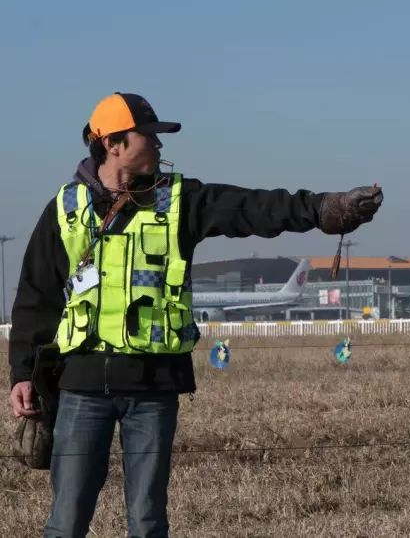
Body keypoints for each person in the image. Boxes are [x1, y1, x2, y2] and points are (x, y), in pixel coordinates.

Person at [8, 92, 383, 537]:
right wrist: (23, 373)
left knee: (148, 521)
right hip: (81, 388)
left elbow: (252, 208)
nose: (159, 145)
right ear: (113, 144)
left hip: (153, 389)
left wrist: (323, 209)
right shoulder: (66, 209)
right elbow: (36, 295)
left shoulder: (181, 200)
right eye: (149, 136)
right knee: (66, 520)